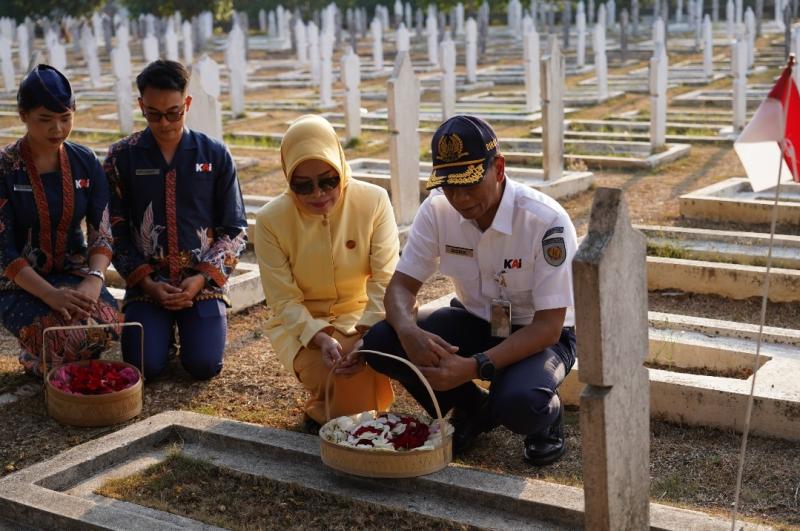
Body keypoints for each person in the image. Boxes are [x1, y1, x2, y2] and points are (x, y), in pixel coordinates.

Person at [360, 115, 577, 465]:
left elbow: (549, 325)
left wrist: (475, 366)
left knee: (519, 403)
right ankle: (473, 408)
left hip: (538, 335)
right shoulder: (436, 211)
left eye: (470, 183)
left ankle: (546, 422)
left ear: (500, 169)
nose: (460, 198)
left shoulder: (544, 221)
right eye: (449, 185)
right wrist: (407, 329)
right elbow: (401, 287)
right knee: (382, 343)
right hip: (476, 319)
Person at [104, 60, 247, 380]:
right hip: (147, 284)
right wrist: (147, 282)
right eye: (153, 113)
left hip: (202, 283)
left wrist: (200, 277)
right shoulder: (121, 157)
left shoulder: (214, 154)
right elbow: (113, 227)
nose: (165, 123)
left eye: (174, 112)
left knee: (204, 366)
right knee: (145, 367)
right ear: (141, 105)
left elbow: (235, 229)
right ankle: (160, 335)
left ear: (188, 104)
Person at [254, 115, 396, 428]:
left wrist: (368, 334)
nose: (318, 194)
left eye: (328, 180)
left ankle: (328, 416)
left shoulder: (373, 201)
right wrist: (317, 336)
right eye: (302, 185)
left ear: (341, 166)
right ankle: (348, 420)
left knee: (367, 358)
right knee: (330, 367)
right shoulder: (270, 220)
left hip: (362, 314)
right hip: (301, 324)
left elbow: (385, 279)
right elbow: (283, 299)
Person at [0, 65, 121, 376]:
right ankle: (37, 357)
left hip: (74, 272)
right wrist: (48, 294)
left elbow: (102, 232)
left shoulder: (86, 163)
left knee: (109, 322)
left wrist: (94, 280)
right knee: (60, 336)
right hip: (18, 282)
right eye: (45, 119)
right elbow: (3, 252)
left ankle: (50, 358)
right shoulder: (5, 169)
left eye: (65, 118)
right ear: (23, 115)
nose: (57, 129)